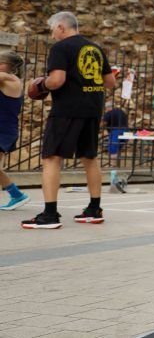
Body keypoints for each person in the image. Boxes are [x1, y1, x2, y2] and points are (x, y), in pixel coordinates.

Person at [22, 12, 117, 229]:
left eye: (53, 29)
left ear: (62, 27)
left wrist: (41, 84)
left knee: (51, 157)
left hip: (67, 109)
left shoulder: (61, 48)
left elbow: (57, 81)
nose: (53, 34)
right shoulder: (96, 48)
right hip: (93, 109)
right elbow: (110, 82)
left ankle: (49, 214)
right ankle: (94, 209)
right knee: (89, 157)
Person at [0, 51, 30, 211]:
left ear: (10, 66)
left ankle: (17, 195)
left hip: (4, 130)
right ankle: (16, 195)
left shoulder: (11, 79)